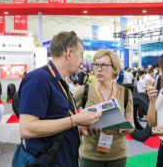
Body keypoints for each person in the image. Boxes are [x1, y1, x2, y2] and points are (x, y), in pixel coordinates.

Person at [18, 31, 102, 167]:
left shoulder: (59, 82)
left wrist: (79, 128)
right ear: (69, 53)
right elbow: (27, 129)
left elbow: (57, 119)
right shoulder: (39, 79)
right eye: (80, 55)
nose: (82, 61)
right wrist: (74, 120)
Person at [74, 50, 134, 167]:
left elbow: (131, 122)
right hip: (90, 154)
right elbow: (66, 116)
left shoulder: (126, 93)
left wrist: (127, 129)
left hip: (118, 154)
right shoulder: (84, 91)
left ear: (115, 69)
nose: (99, 69)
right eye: (96, 65)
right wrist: (80, 126)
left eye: (104, 65)